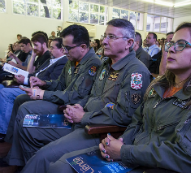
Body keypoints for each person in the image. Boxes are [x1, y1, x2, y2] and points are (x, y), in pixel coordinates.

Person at [46, 22, 191, 173]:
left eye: (181, 45)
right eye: (169, 44)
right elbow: (137, 122)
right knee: (60, 166)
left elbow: (187, 157)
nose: (171, 49)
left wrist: (124, 151)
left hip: (156, 166)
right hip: (132, 154)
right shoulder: (159, 86)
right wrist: (122, 142)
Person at [17, 18, 151, 173]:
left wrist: (83, 117)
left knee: (43, 157)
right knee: (28, 127)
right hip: (83, 120)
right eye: (105, 36)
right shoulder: (106, 65)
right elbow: (91, 95)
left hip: (100, 131)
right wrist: (78, 107)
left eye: (111, 37)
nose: (104, 41)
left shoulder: (136, 72)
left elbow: (124, 116)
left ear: (128, 43)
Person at [3, 24, 102, 168]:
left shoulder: (93, 64)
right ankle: (21, 158)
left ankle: (28, 162)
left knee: (26, 109)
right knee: (23, 104)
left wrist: (42, 94)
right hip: (62, 99)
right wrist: (44, 83)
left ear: (82, 47)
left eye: (68, 48)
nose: (65, 51)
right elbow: (60, 84)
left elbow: (74, 96)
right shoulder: (72, 60)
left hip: (70, 107)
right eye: (64, 47)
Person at [0, 38, 67, 141]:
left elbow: (51, 81)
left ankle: (4, 132)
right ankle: (9, 134)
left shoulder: (63, 61)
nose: (49, 50)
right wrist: (25, 77)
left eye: (52, 48)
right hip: (33, 85)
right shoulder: (50, 59)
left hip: (39, 89)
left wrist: (26, 80)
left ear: (62, 50)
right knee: (4, 89)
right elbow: (34, 73)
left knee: (6, 93)